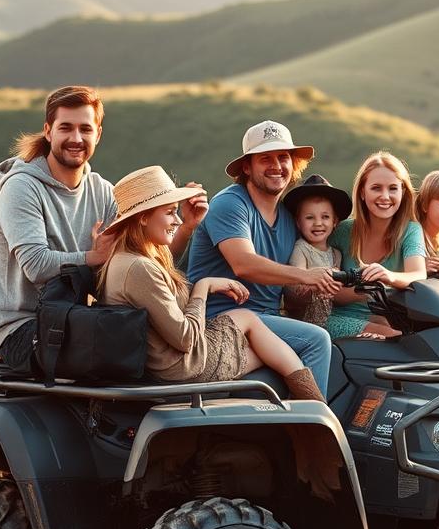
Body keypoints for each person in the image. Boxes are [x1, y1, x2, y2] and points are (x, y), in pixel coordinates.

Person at [0, 85, 207, 375]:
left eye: (85, 129)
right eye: (66, 127)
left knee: (141, 345)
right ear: (48, 131)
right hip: (23, 329)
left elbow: (146, 257)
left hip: (76, 318)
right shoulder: (21, 188)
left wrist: (186, 227)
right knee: (125, 351)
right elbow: (36, 266)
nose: (76, 138)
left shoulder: (102, 191)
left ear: (98, 134)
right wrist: (93, 257)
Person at [96, 166, 324, 401]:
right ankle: (318, 410)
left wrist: (188, 227)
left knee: (248, 321)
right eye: (170, 212)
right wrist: (203, 287)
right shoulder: (139, 268)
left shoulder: (130, 259)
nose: (177, 219)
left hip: (167, 359)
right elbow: (185, 339)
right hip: (179, 367)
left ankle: (312, 410)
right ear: (143, 217)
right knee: (270, 341)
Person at [185, 121, 339, 395]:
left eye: (283, 157)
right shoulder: (230, 203)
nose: (276, 166)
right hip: (220, 318)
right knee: (316, 341)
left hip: (268, 319)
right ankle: (317, 420)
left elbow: (287, 290)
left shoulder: (289, 219)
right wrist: (306, 276)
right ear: (247, 167)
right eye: (265, 158)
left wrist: (315, 288)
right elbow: (243, 264)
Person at [325, 151, 427, 339]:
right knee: (398, 339)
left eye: (393, 188)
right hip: (338, 318)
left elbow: (418, 275)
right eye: (376, 188)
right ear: (362, 193)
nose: (385, 196)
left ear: (403, 192)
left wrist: (389, 276)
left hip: (387, 319)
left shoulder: (411, 231)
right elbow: (329, 293)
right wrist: (366, 290)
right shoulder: (341, 231)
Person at [283, 174, 350, 327]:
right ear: (298, 222)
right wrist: (316, 284)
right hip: (304, 322)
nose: (318, 223)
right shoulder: (301, 249)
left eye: (325, 217)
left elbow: (337, 293)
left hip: (329, 319)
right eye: (309, 218)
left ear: (335, 221)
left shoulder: (336, 254)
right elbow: (296, 287)